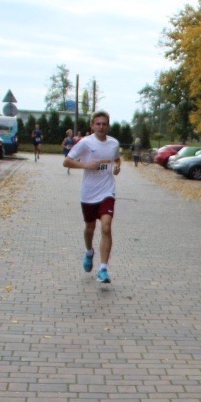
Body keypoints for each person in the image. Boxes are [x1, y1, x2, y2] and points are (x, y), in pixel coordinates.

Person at [63, 111, 121, 283]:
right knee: (90, 228)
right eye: (98, 124)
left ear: (108, 126)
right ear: (92, 125)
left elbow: (116, 159)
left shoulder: (114, 143)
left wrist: (117, 167)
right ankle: (89, 251)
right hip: (89, 193)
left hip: (107, 191)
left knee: (106, 227)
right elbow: (67, 161)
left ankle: (103, 269)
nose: (101, 127)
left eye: (104, 124)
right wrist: (86, 165)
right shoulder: (85, 143)